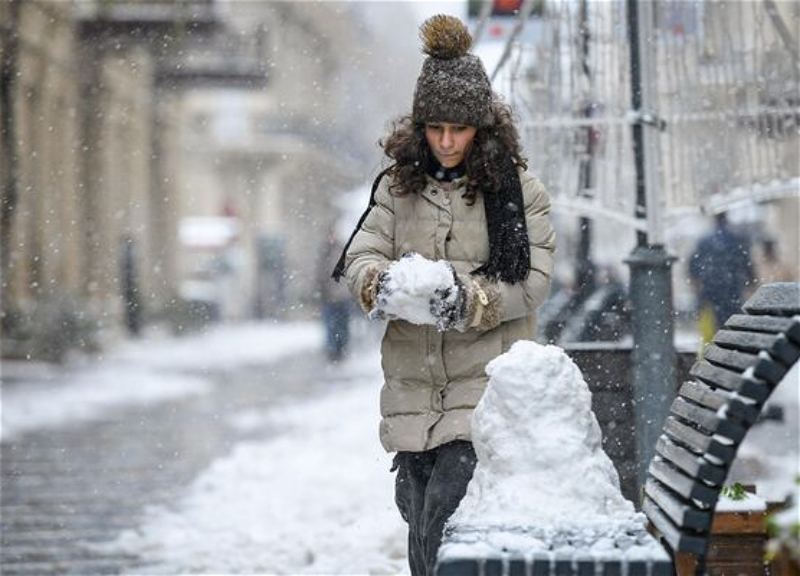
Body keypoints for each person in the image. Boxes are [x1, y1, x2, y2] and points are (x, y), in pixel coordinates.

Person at [332, 15, 555, 576]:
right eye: (436, 128)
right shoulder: (395, 187)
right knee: (419, 520)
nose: (448, 141)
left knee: (445, 521)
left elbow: (533, 280)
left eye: (459, 128)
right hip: (412, 390)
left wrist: (469, 300)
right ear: (420, 128)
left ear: (482, 127)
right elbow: (360, 257)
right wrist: (381, 285)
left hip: (483, 388)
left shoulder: (516, 190)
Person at [689, 213, 757, 343]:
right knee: (731, 324)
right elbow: (747, 262)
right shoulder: (737, 239)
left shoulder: (705, 241)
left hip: (710, 290)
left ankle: (715, 348)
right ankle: (729, 345)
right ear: (726, 218)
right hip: (732, 289)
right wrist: (752, 281)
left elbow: (693, 264)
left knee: (713, 326)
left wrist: (697, 283)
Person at [317, 228, 352, 361]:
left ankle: (342, 349)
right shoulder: (324, 252)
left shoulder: (343, 250)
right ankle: (333, 351)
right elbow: (320, 275)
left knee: (342, 326)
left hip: (343, 297)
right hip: (329, 297)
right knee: (331, 326)